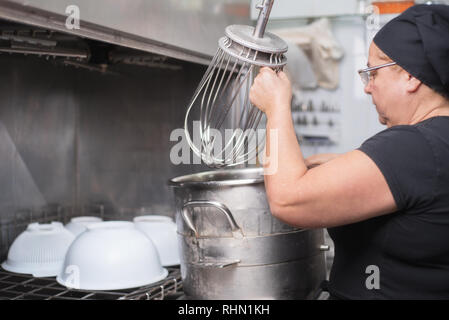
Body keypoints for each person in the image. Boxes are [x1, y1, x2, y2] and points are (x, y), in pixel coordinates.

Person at [249, 4, 449, 299]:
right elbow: (409, 187)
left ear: (410, 76)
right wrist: (337, 165)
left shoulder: (413, 146)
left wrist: (277, 106)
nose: (368, 88)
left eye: (373, 73)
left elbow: (287, 200)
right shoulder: (434, 142)